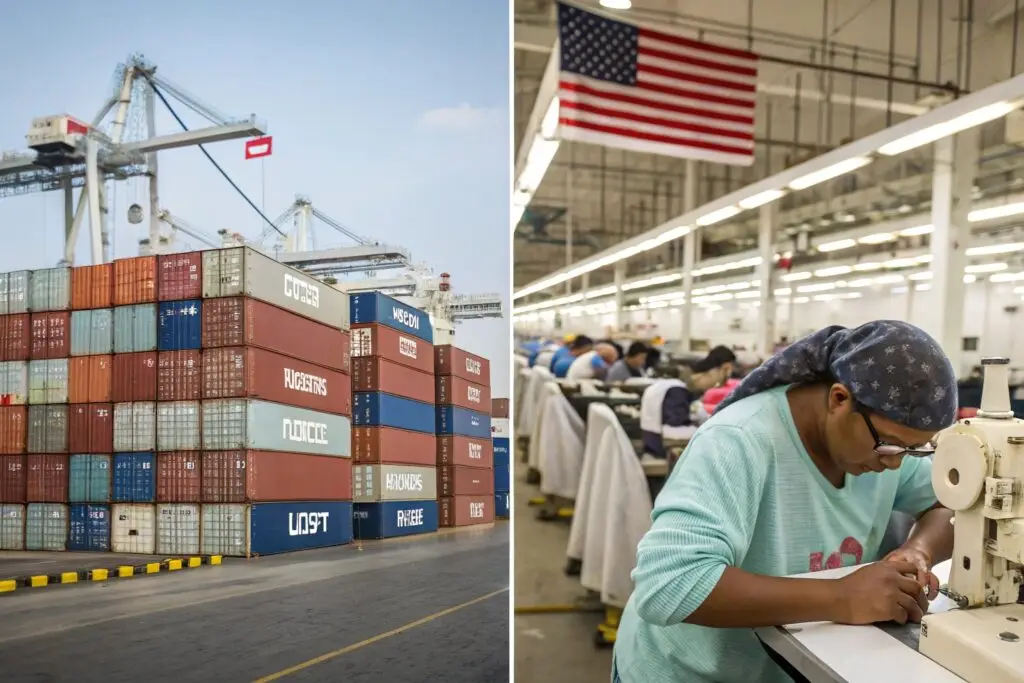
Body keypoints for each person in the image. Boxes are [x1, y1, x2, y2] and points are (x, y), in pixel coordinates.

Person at [612, 321, 956, 683]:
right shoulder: (738, 441)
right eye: (889, 444)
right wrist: (840, 597)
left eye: (912, 450)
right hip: (689, 672)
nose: (895, 462)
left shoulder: (881, 448)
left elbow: (945, 505)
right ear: (839, 399)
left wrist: (918, 550)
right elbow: (669, 584)